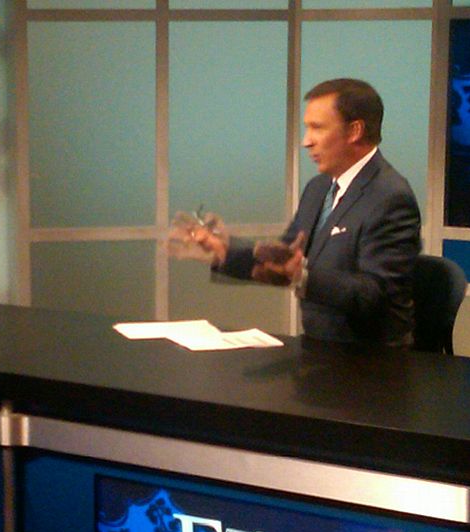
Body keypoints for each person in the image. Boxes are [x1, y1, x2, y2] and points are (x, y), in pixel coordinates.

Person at [169, 78, 421, 346]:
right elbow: (284, 257)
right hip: (318, 348)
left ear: (354, 131)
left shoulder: (390, 197)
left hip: (371, 358)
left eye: (317, 128)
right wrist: (222, 250)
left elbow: (376, 295)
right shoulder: (318, 188)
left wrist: (302, 275)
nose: (306, 141)